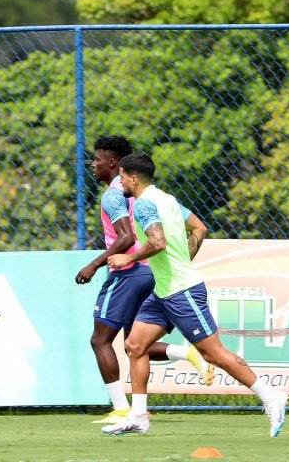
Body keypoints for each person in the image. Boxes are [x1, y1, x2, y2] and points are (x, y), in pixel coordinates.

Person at [101, 153, 289, 437]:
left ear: (133, 178)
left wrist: (128, 260)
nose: (121, 182)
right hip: (164, 291)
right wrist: (182, 260)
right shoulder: (167, 199)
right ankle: (138, 416)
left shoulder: (143, 205)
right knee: (135, 345)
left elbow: (158, 242)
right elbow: (199, 227)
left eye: (123, 177)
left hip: (181, 292)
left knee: (214, 354)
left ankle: (270, 395)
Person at [75, 136, 213, 425]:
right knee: (135, 343)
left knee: (100, 340)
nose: (92, 164)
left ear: (114, 164)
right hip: (150, 270)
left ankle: (122, 409)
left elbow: (126, 238)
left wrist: (94, 263)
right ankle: (185, 353)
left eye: (97, 159)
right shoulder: (141, 194)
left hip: (127, 273)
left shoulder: (114, 194)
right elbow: (195, 226)